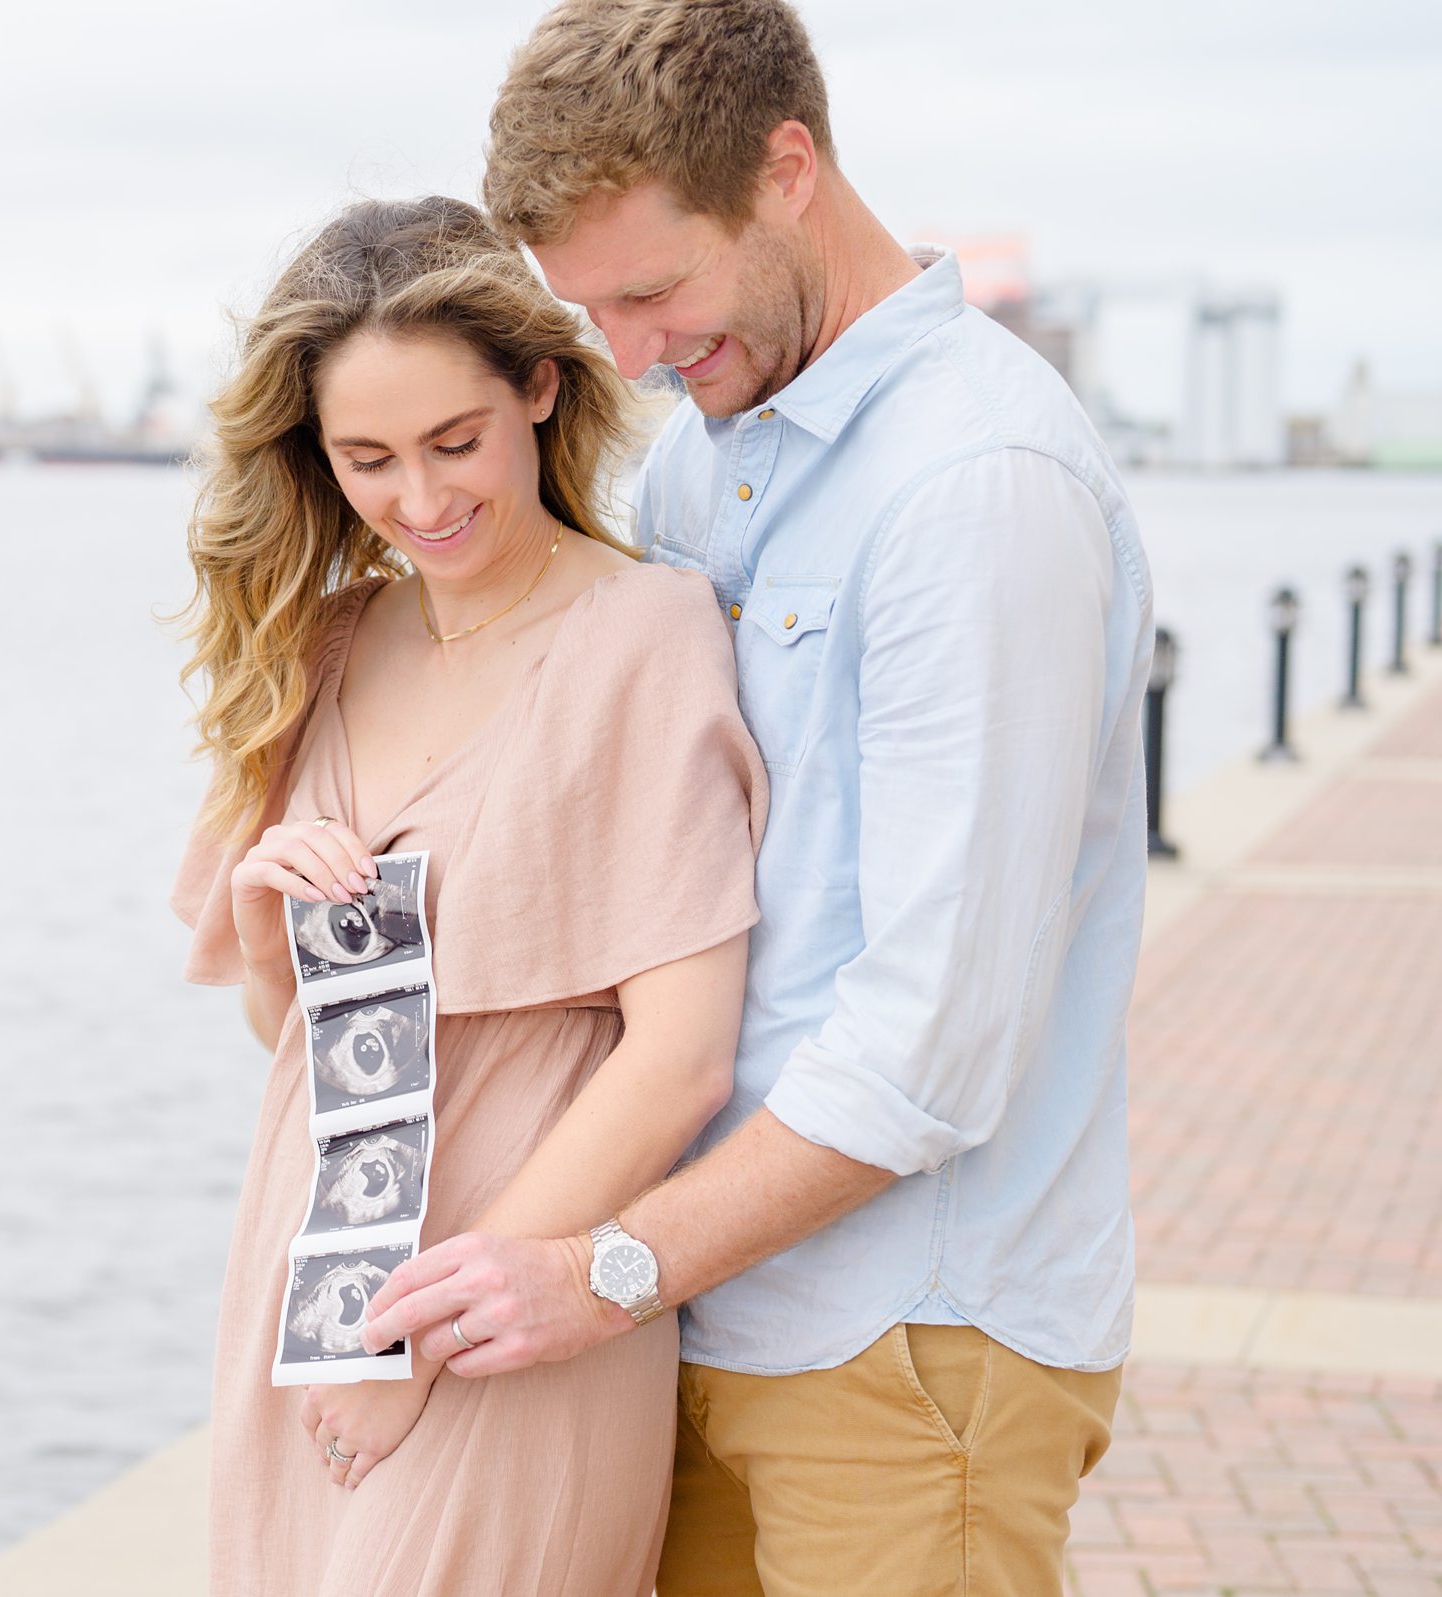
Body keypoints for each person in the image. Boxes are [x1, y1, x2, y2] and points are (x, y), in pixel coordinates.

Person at [360, 3, 1153, 1593]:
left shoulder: (977, 485)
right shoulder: (699, 462)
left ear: (788, 169)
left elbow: (936, 1045)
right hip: (692, 1310)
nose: (637, 354)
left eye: (655, 290)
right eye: (595, 315)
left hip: (908, 1339)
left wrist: (604, 1266)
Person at [168, 194, 766, 1593]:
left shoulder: (643, 635)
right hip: (311, 1279)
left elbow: (679, 1059)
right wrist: (270, 925)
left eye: (456, 441)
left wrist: (419, 1335)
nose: (422, 500)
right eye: (367, 458)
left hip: (511, 1297)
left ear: (540, 391)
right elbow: (299, 1053)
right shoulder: (320, 644)